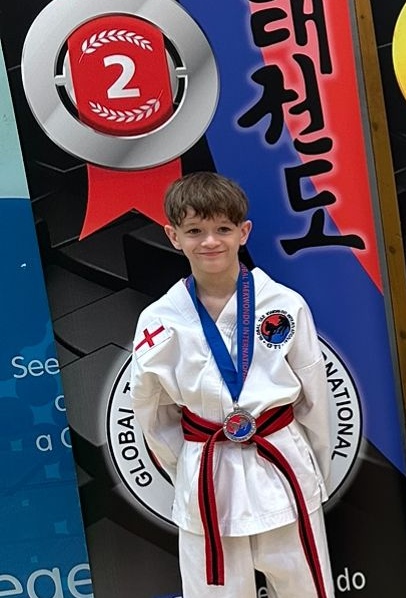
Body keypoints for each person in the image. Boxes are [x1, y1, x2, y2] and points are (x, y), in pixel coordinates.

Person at [130, 172, 333, 597]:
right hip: (207, 478)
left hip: (281, 469)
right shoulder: (159, 320)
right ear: (173, 237)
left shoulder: (284, 304)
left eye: (223, 229)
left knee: (306, 589)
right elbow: (152, 415)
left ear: (244, 232)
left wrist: (311, 467)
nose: (210, 241)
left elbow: (316, 400)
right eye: (195, 231)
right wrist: (187, 464)